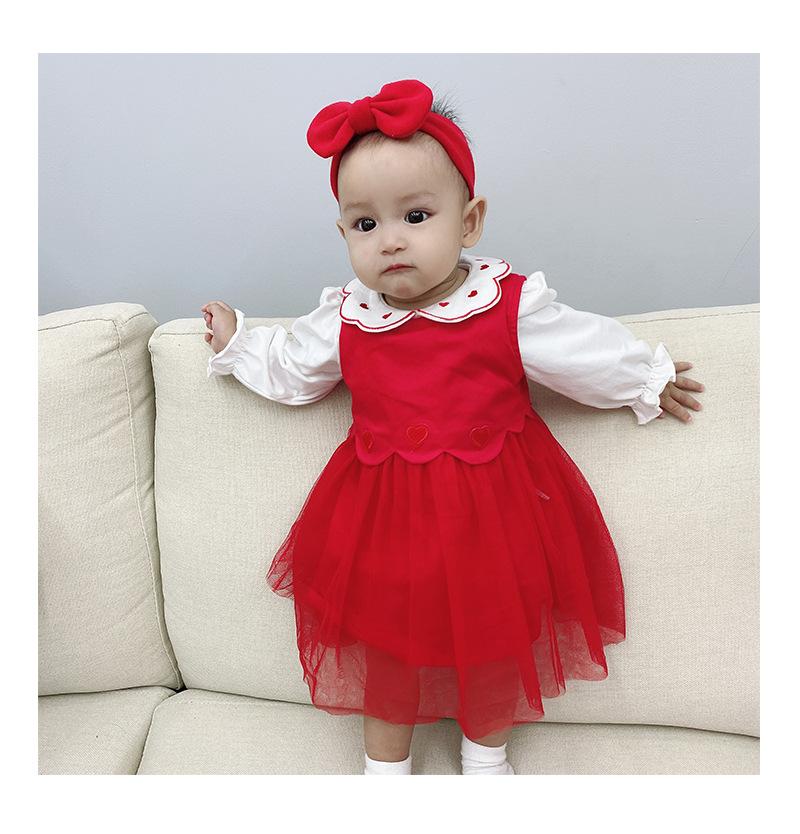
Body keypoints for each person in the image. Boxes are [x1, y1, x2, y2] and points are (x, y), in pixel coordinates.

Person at [201, 78, 705, 776]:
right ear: (343, 234)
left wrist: (644, 378)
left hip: (491, 517)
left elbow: (581, 350)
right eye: (365, 225)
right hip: (382, 522)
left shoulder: (505, 306)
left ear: (469, 223)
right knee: (384, 646)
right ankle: (385, 771)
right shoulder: (349, 315)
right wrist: (238, 344)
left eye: (416, 215)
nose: (391, 241)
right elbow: (294, 369)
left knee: (495, 640)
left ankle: (485, 761)